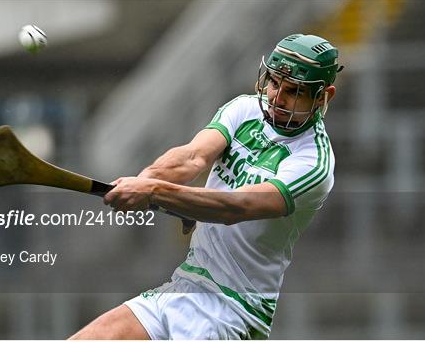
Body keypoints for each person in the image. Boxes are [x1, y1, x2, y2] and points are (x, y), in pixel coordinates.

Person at [69, 33, 343, 340]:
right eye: (274, 82)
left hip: (233, 312)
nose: (278, 98)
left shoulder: (313, 162)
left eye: (293, 91)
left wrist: (159, 194)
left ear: (323, 96)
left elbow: (236, 206)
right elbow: (192, 157)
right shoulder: (245, 109)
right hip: (184, 287)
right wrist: (146, 180)